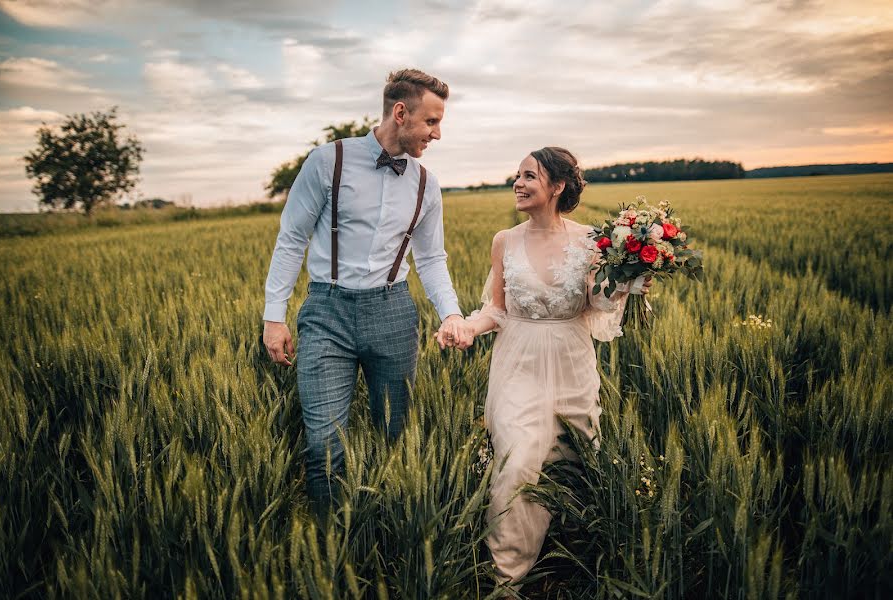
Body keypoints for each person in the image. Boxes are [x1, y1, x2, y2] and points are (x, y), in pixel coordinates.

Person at [437, 147, 652, 587]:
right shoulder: (505, 240)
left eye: (529, 176)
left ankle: (579, 554)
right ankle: (506, 575)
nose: (518, 183)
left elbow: (598, 303)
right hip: (517, 360)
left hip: (571, 359)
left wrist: (630, 280)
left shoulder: (592, 240)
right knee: (518, 458)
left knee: (576, 456)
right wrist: (466, 329)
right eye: (517, 175)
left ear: (557, 187)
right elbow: (494, 309)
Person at [263, 68, 472, 505]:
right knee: (323, 441)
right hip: (326, 312)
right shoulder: (327, 161)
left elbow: (431, 258)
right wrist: (273, 317)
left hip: (393, 314)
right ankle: (330, 547)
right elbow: (291, 240)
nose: (437, 134)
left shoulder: (426, 184)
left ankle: (382, 528)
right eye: (432, 122)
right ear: (401, 113)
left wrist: (450, 312)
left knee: (393, 434)